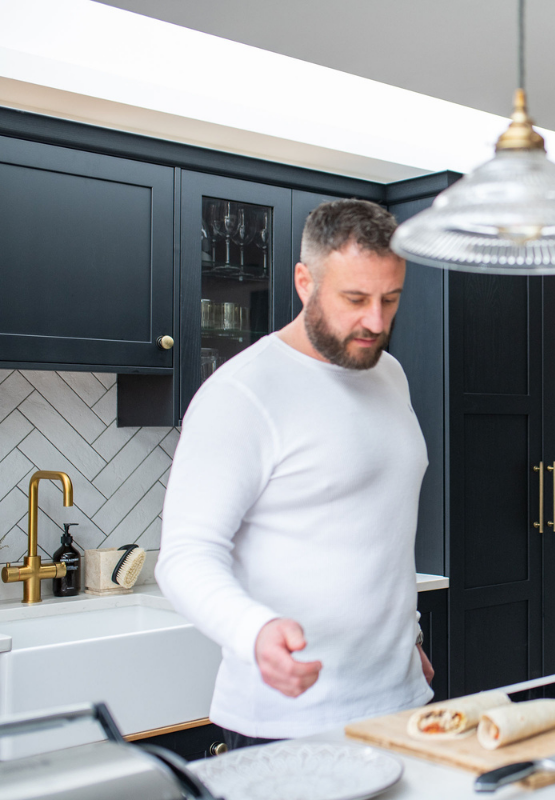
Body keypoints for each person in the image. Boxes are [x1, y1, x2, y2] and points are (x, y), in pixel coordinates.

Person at [157, 199, 434, 749]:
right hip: (289, 720)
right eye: (355, 299)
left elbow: (378, 530)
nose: (376, 322)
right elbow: (185, 556)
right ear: (305, 282)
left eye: (390, 299)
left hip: (400, 701)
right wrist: (254, 630)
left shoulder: (389, 374)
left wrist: (412, 636)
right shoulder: (241, 393)